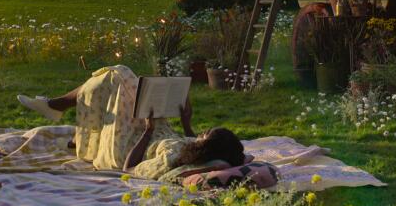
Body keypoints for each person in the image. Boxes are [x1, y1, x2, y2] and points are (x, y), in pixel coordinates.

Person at [17, 66, 245, 179]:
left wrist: (148, 131)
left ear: (208, 147)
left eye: (206, 134)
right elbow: (191, 138)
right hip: (145, 130)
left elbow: (130, 168)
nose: (201, 132)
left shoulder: (173, 158)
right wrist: (187, 121)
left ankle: (56, 107)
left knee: (116, 75)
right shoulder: (191, 148)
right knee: (119, 81)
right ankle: (65, 117)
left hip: (127, 146)